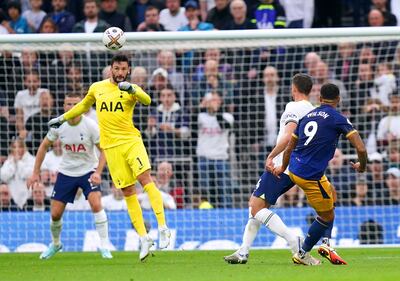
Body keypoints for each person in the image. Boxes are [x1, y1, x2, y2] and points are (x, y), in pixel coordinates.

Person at [47, 54, 171, 261]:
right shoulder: (97, 88)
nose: (120, 72)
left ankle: (163, 227)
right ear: (111, 69)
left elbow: (148, 100)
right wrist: (62, 118)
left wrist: (132, 89)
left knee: (145, 180)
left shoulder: (130, 89)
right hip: (111, 148)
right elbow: (84, 106)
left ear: (128, 70)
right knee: (128, 191)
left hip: (131, 142)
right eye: (117, 68)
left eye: (124, 69)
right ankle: (144, 238)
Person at [224, 73, 314, 264]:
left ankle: (295, 243)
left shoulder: (293, 107)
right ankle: (243, 251)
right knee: (257, 207)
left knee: (255, 206)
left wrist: (272, 155)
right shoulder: (312, 110)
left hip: (281, 165)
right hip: (297, 166)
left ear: (294, 88)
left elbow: (289, 135)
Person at [273, 83, 368, 265]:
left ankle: (326, 243)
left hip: (294, 168)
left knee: (331, 192)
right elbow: (361, 149)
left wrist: (282, 168)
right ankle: (302, 254)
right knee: (327, 216)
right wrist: (362, 167)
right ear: (338, 100)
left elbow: (288, 149)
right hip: (310, 176)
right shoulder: (338, 118)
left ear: (319, 99)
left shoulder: (307, 117)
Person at [27, 93, 112, 259]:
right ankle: (56, 244)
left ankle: (104, 246)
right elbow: (44, 147)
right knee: (55, 214)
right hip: (67, 172)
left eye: (75, 104)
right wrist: (35, 172)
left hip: (88, 170)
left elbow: (105, 150)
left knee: (96, 204)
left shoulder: (91, 126)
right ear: (63, 106)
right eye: (68, 104)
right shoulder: (59, 125)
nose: (71, 107)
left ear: (82, 107)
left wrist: (98, 172)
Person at [0, 139, 35, 209]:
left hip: (28, 198)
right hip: (12, 199)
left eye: (19, 147)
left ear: (24, 148)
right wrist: (13, 164)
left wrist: (18, 163)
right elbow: (3, 176)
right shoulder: (9, 161)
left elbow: (28, 174)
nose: (17, 149)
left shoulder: (32, 159)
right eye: (14, 147)